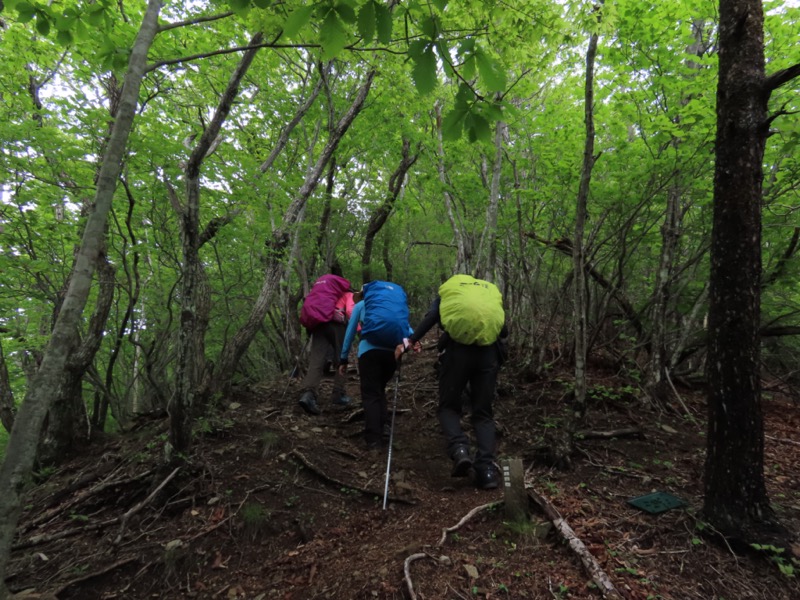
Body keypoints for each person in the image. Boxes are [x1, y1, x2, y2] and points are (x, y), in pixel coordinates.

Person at [396, 274, 507, 490]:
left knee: (448, 406)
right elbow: (503, 330)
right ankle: (486, 472)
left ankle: (460, 450)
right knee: (483, 413)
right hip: (488, 355)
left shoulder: (449, 293)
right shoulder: (488, 293)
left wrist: (410, 342)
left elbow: (431, 317)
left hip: (457, 353)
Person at [339, 281, 419, 450]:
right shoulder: (393, 310)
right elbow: (408, 329)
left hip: (369, 353)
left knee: (370, 394)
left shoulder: (361, 305)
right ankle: (385, 427)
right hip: (392, 354)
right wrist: (414, 341)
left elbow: (350, 331)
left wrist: (343, 358)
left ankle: (373, 440)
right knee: (379, 390)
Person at [297, 267, 354, 415]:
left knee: (316, 360)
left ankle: (308, 394)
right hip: (336, 324)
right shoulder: (345, 292)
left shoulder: (319, 291)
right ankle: (338, 394)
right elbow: (350, 311)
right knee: (342, 358)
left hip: (318, 324)